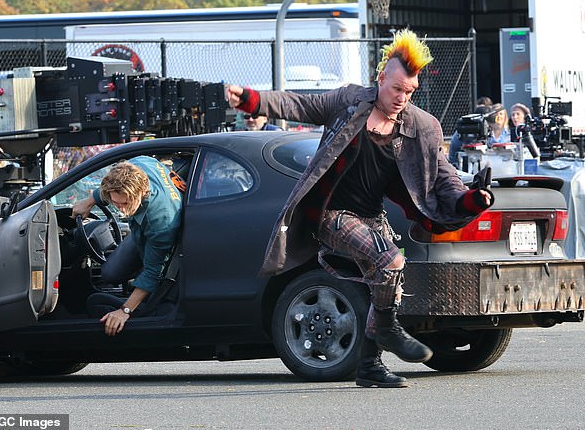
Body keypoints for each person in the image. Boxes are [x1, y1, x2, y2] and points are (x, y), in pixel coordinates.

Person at [226, 29, 493, 388]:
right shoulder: (349, 101)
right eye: (396, 88)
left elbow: (444, 179)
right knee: (391, 261)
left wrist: (472, 200)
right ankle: (388, 330)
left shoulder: (421, 126)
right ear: (381, 78)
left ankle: (369, 366)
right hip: (331, 214)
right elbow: (299, 105)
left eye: (409, 92)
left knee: (387, 285)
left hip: (371, 217)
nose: (401, 98)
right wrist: (252, 99)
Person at [72, 156, 183, 336]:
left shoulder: (161, 221)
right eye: (116, 203)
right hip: (141, 232)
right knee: (109, 274)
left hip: (157, 238)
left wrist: (124, 311)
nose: (121, 209)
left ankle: (137, 297)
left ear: (142, 192)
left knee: (146, 272)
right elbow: (111, 189)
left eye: (125, 203)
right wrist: (89, 201)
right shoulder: (137, 165)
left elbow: (152, 273)